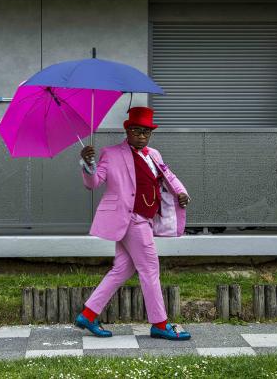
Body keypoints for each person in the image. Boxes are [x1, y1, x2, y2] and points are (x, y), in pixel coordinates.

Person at [74, 106, 191, 340]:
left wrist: (181, 192)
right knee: (150, 268)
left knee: (122, 269)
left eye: (146, 131)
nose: (141, 135)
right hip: (129, 219)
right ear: (127, 131)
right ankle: (160, 323)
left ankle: (87, 314)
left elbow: (170, 176)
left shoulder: (154, 154)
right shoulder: (112, 153)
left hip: (146, 218)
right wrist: (88, 164)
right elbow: (94, 183)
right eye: (136, 130)